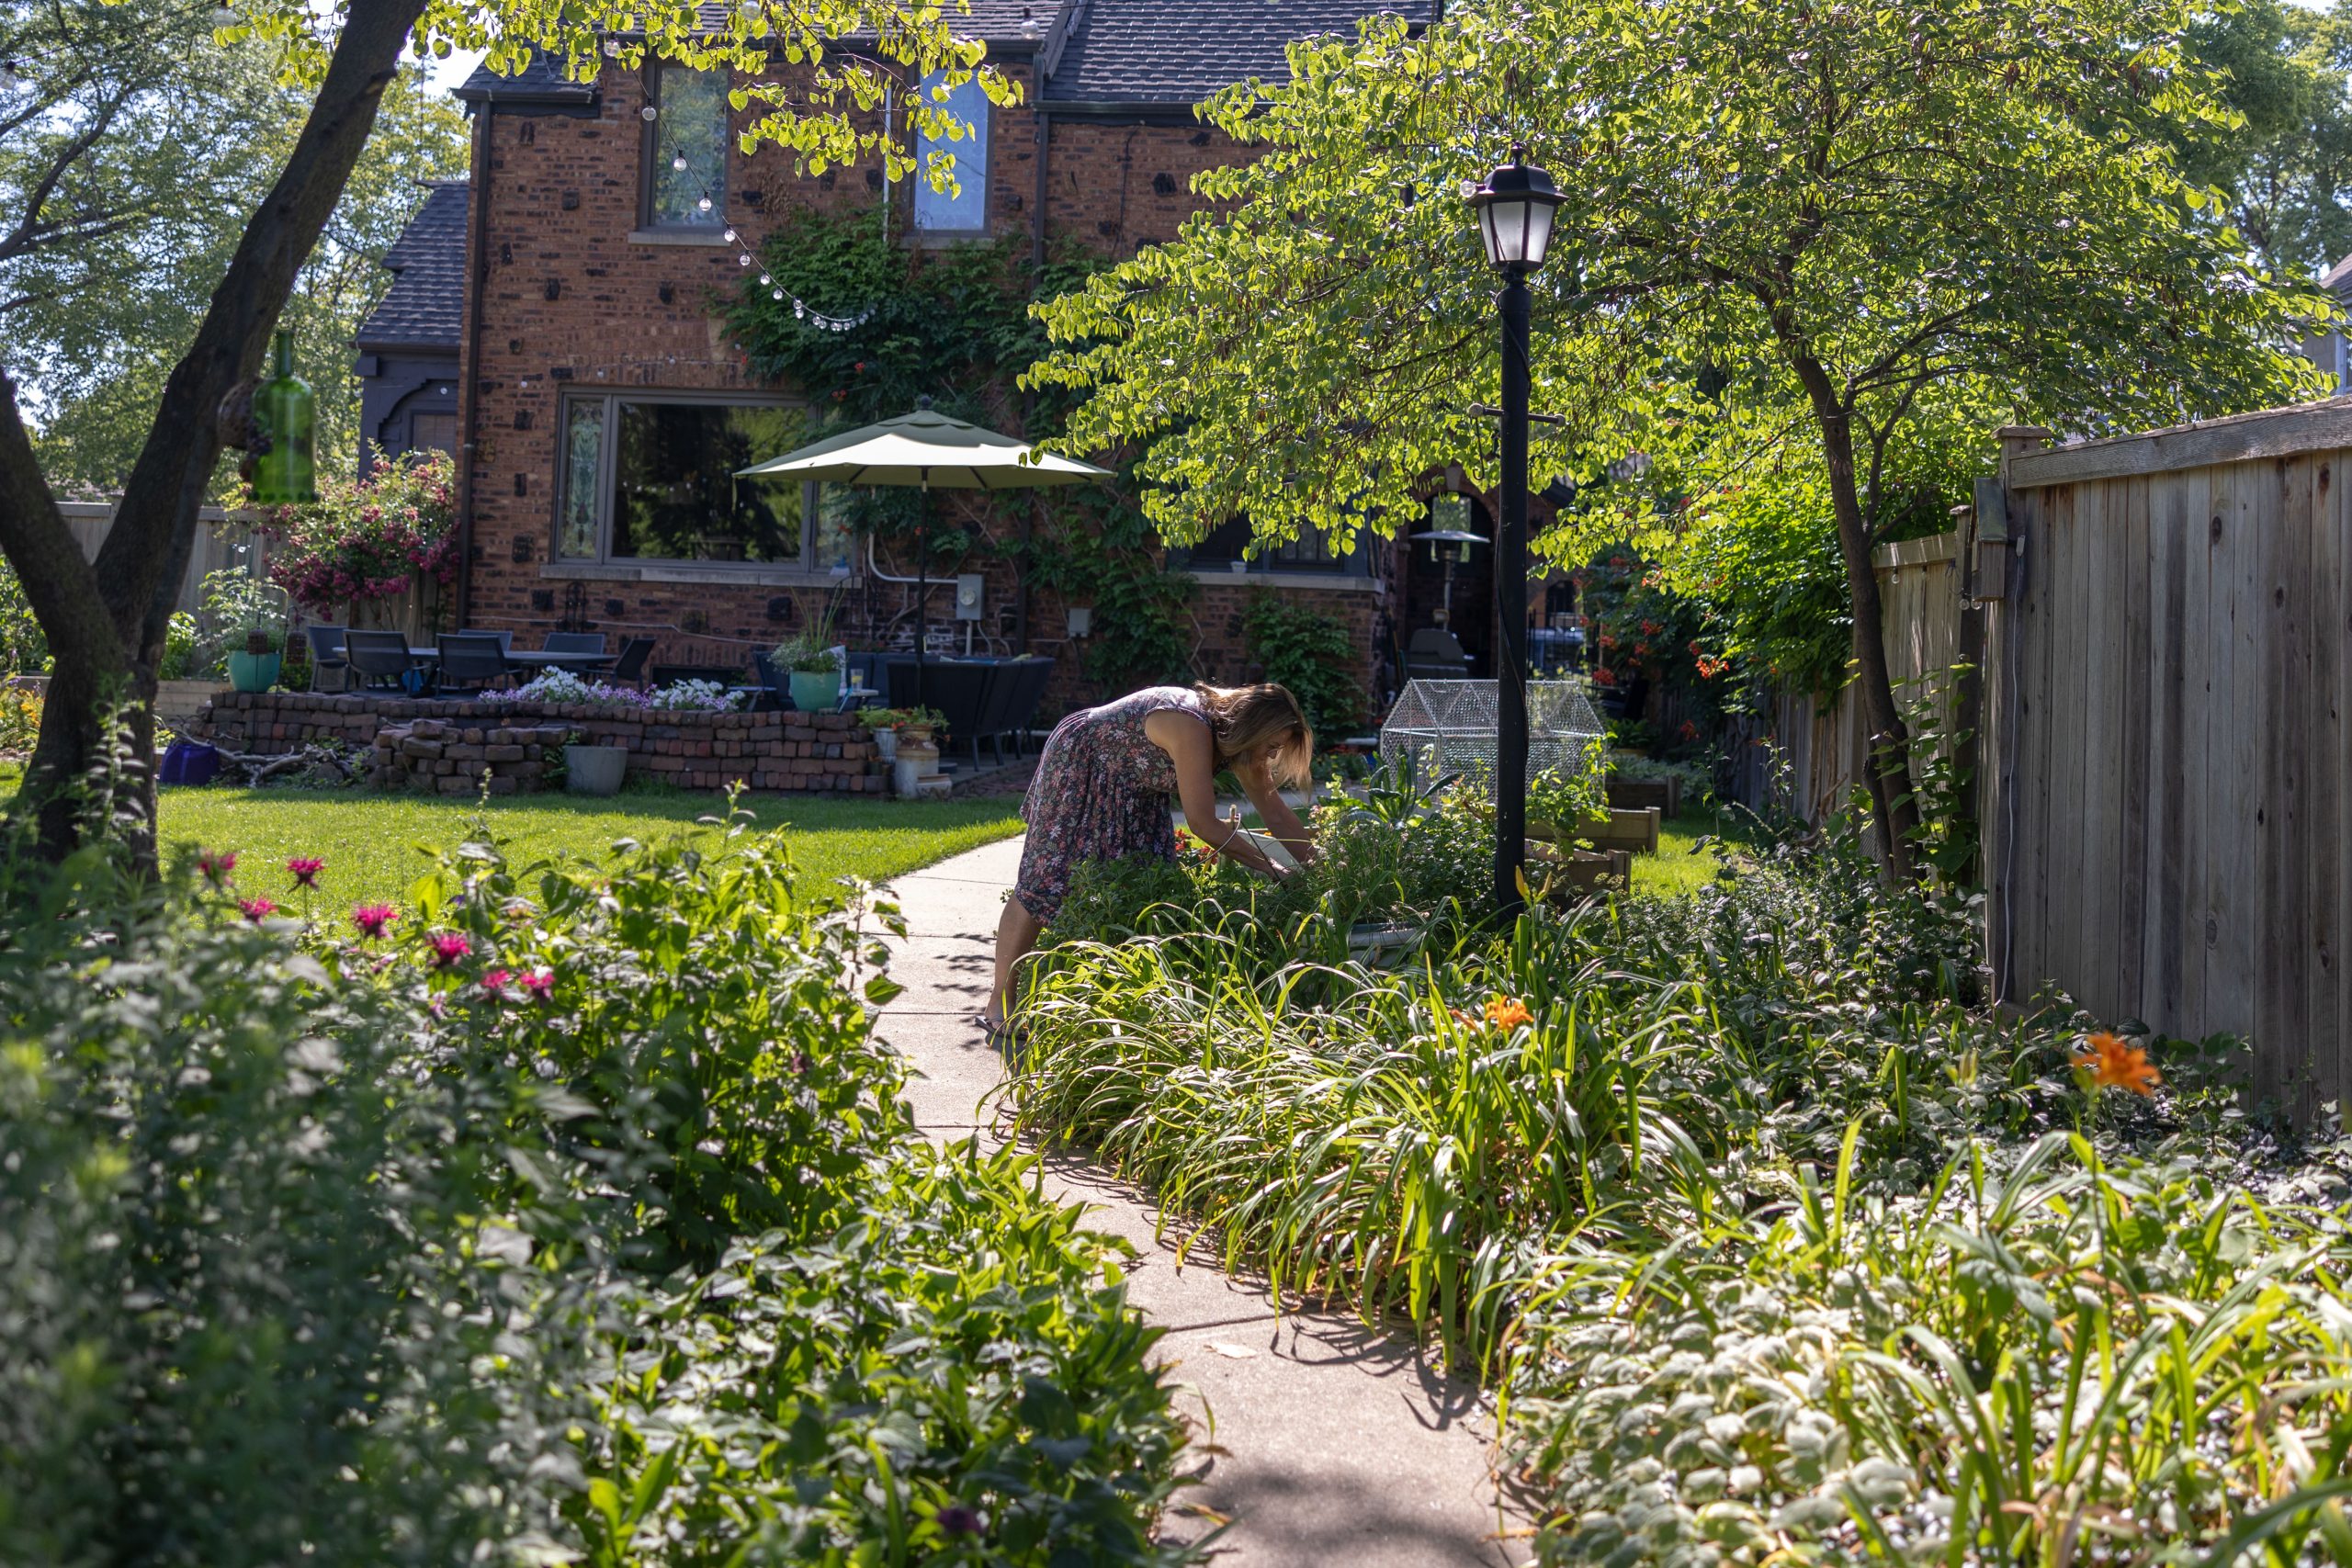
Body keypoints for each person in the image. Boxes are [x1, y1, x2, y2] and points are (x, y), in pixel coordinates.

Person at [984, 682, 1316, 1033]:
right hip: (1083, 760)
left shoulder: (1243, 748)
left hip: (1137, 784)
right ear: (1253, 729)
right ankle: (1000, 1002)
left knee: (1141, 881)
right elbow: (1203, 823)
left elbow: (1276, 814)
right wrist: (1274, 869)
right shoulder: (1190, 724)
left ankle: (1106, 999)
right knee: (1045, 881)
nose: (1270, 757)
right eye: (1272, 746)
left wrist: (1320, 866)